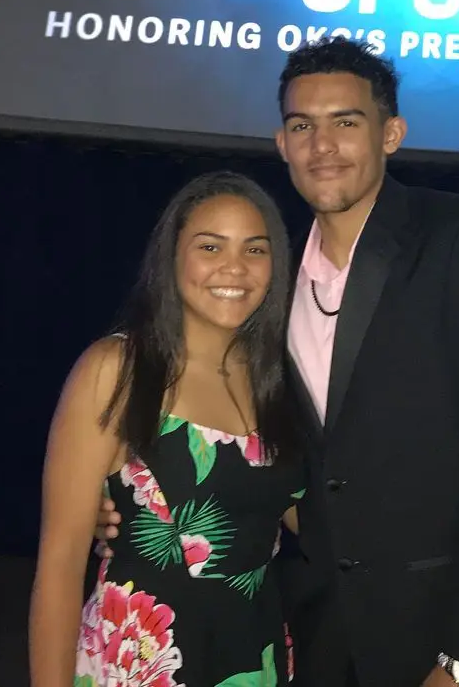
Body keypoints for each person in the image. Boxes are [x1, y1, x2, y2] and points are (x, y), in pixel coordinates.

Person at [97, 37, 459, 687]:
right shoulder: (271, 282)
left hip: (447, 638)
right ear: (282, 143)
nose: (322, 145)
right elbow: (266, 459)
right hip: (318, 637)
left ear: (391, 134)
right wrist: (130, 504)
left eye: (345, 122)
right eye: (303, 126)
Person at [30, 171, 303, 687]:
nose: (234, 268)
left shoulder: (281, 384)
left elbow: (310, 518)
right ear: (172, 257)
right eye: (210, 245)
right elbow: (60, 563)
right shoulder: (118, 369)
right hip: (140, 659)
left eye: (255, 249)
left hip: (251, 656)